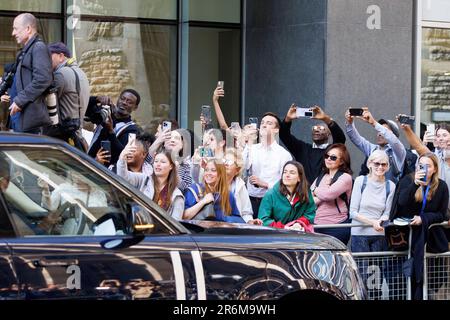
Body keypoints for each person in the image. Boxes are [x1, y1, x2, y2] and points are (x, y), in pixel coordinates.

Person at [394, 152, 449, 300]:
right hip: (409, 237)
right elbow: (402, 203)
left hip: (430, 237)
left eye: (428, 166)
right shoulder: (408, 180)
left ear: (435, 169)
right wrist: (415, 185)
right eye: (421, 165)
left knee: (431, 277)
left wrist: (423, 219)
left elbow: (442, 214)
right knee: (410, 275)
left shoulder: (442, 186)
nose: (424, 169)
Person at [349, 150, 396, 299]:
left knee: (377, 275)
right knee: (362, 274)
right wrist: (372, 222)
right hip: (359, 234)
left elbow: (387, 212)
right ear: (369, 164)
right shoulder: (360, 181)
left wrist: (380, 221)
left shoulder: (390, 186)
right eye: (377, 163)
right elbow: (353, 212)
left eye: (384, 164)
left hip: (379, 234)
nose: (380, 167)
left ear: (388, 167)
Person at [280, 104, 346, 184]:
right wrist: (288, 119)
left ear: (329, 134)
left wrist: (326, 119)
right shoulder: (302, 149)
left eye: (321, 128)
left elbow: (341, 138)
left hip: (325, 193)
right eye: (314, 128)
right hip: (304, 193)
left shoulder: (332, 151)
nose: (316, 130)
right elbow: (284, 135)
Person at [243, 112, 293, 218]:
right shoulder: (252, 148)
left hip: (272, 201)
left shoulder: (283, 154)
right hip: (250, 201)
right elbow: (242, 167)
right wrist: (248, 142)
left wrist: (265, 184)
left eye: (269, 123)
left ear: (276, 130)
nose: (264, 125)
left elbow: (287, 183)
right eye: (262, 123)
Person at [10, 13, 53, 133]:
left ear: (28, 29)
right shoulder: (28, 50)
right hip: (22, 116)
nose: (13, 33)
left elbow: (43, 79)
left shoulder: (38, 48)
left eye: (15, 28)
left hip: (29, 120)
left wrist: (19, 101)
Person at [117, 146, 185, 220]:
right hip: (141, 226)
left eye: (163, 162)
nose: (158, 164)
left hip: (162, 231)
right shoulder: (144, 179)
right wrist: (122, 157)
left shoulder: (177, 195)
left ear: (171, 166)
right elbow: (123, 177)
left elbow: (176, 224)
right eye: (156, 161)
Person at [45, 42, 90, 151]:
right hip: (77, 136)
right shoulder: (81, 73)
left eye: (48, 56)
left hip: (62, 137)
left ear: (61, 56)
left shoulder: (60, 74)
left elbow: (47, 101)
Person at [345, 107, 406, 183]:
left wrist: (374, 123)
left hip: (390, 193)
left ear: (394, 135)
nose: (380, 133)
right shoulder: (373, 149)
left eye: (384, 130)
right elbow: (355, 138)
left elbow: (393, 140)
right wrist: (349, 122)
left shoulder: (398, 152)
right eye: (379, 130)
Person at [310, 143, 353, 244]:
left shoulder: (345, 177)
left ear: (342, 161)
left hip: (336, 226)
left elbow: (328, 195)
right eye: (326, 156)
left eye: (333, 157)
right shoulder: (321, 177)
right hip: (316, 225)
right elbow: (309, 200)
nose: (328, 159)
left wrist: (315, 190)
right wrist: (325, 192)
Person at [87, 89, 141, 165]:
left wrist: (111, 131)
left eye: (129, 102)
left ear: (135, 107)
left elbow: (123, 153)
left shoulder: (131, 129)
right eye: (122, 99)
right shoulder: (106, 113)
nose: (124, 103)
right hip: (87, 161)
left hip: (104, 171)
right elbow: (83, 109)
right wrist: (96, 99)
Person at [258, 161, 316, 230]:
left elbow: (310, 213)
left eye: (292, 172)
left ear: (299, 178)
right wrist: (284, 228)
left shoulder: (306, 193)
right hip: (275, 235)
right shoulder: (270, 195)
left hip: (298, 235)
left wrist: (299, 223)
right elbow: (263, 219)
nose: (287, 175)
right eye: (285, 172)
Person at [184, 159, 244, 223]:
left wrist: (223, 218)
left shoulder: (228, 194)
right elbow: (184, 216)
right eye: (206, 170)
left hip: (218, 232)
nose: (208, 173)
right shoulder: (194, 190)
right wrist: (203, 202)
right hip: (198, 231)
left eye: (213, 170)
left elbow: (239, 220)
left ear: (221, 174)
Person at [224, 148, 260, 224]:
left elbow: (246, 212)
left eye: (230, 161)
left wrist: (250, 222)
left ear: (237, 170)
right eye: (224, 160)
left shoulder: (240, 185)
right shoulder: (213, 180)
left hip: (234, 228)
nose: (225, 163)